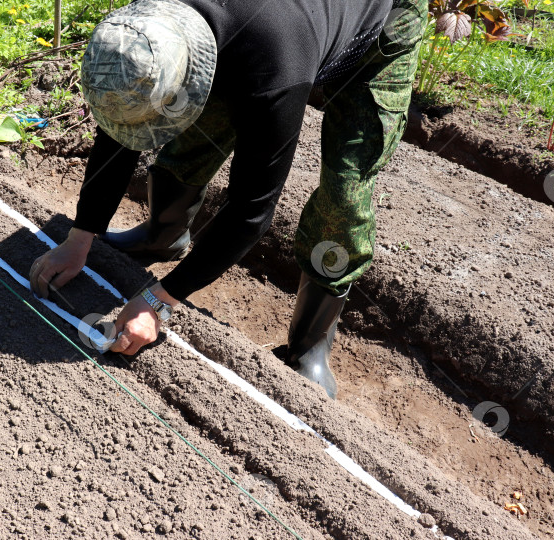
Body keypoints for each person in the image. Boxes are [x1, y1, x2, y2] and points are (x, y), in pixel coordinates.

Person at [30, 0, 426, 399]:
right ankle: (163, 234)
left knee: (344, 190)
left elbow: (252, 211)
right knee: (197, 127)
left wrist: (157, 301)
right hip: (262, 25)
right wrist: (80, 236)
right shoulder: (149, 26)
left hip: (377, 25)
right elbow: (123, 123)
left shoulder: (275, 68)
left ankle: (310, 343)